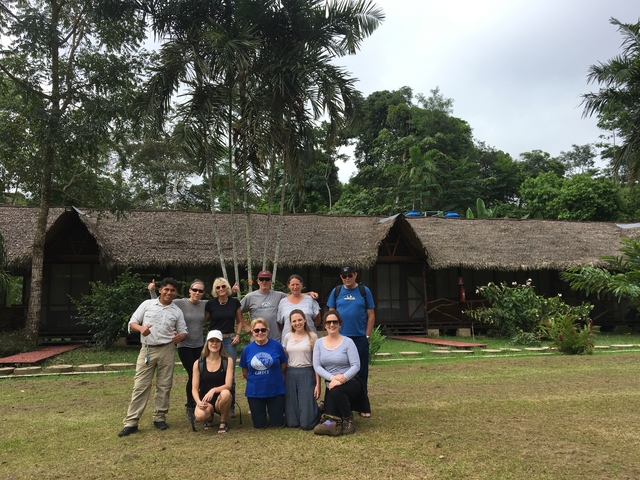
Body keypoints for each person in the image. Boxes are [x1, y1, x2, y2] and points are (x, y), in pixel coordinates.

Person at [118, 277, 188, 437]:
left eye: (172, 290)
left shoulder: (176, 311)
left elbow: (183, 331)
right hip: (147, 350)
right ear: (160, 290)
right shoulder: (147, 305)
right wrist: (141, 329)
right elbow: (132, 323)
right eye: (166, 289)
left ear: (176, 293)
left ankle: (159, 418)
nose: (169, 293)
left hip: (167, 350)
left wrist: (180, 338)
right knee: (140, 386)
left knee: (164, 385)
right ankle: (131, 422)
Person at [148, 278, 207, 423]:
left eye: (200, 291)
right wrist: (152, 291)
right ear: (189, 290)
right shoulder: (179, 303)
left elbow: (221, 303)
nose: (197, 293)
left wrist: (233, 292)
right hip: (184, 345)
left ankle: (203, 405)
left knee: (202, 375)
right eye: (195, 290)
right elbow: (162, 303)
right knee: (194, 375)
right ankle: (190, 406)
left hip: (200, 345)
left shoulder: (205, 304)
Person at [327, 265, 375, 416]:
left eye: (349, 275)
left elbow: (371, 315)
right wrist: (332, 335)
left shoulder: (364, 291)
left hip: (359, 337)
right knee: (340, 370)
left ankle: (362, 406)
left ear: (355, 275)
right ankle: (342, 400)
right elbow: (331, 316)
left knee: (360, 371)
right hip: (340, 338)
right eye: (343, 276)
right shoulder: (336, 292)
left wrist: (367, 336)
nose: (347, 278)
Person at [312, 310, 370, 436]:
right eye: (329, 322)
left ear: (339, 324)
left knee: (337, 390)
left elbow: (356, 365)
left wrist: (341, 378)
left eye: (335, 322)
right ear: (325, 325)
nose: (332, 324)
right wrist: (332, 378)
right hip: (331, 383)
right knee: (330, 418)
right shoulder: (319, 343)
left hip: (351, 382)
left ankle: (348, 419)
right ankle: (328, 412)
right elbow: (317, 366)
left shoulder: (348, 342)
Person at [204, 277, 250, 415]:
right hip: (213, 340)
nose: (221, 289)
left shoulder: (234, 302)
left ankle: (230, 406)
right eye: (218, 287)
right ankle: (209, 403)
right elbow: (205, 320)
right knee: (211, 370)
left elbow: (240, 320)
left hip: (230, 340)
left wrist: (237, 335)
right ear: (214, 290)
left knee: (229, 372)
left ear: (228, 287)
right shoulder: (210, 304)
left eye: (223, 286)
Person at [239, 270, 318, 342]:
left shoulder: (279, 296)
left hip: (276, 338)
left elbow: (295, 295)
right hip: (257, 337)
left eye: (267, 279)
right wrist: (245, 326)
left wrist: (309, 294)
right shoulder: (250, 297)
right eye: (261, 279)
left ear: (271, 281)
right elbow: (237, 309)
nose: (264, 281)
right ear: (258, 281)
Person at [239, 318, 287, 429]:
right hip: (255, 392)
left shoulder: (276, 345)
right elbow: (245, 372)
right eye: (256, 330)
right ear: (252, 331)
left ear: (267, 330)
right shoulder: (247, 349)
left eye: (263, 330)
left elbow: (283, 364)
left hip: (275, 390)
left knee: (278, 424)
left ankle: (275, 413)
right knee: (260, 425)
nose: (260, 332)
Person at [281, 309, 321, 430]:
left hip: (307, 372)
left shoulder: (312, 336)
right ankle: (292, 417)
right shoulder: (287, 337)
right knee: (292, 423)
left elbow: (316, 362)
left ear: (304, 320)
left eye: (299, 320)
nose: (297, 323)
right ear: (291, 323)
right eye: (294, 321)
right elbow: (284, 359)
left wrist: (318, 384)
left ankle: (318, 411)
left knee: (307, 424)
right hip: (290, 373)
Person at [191, 330, 234, 434]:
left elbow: (228, 385)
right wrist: (198, 402)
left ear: (221, 344)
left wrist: (214, 390)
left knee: (225, 393)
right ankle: (209, 418)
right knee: (200, 416)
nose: (214, 343)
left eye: (217, 341)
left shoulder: (227, 361)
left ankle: (223, 421)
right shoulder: (198, 363)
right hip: (205, 400)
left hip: (221, 399)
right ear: (207, 343)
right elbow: (194, 389)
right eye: (211, 341)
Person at [277, 274, 321, 338]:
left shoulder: (310, 299)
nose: (295, 287)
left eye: (297, 284)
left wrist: (308, 327)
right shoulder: (283, 302)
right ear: (288, 286)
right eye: (292, 285)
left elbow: (318, 318)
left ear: (301, 285)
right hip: (289, 339)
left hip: (309, 337)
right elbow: (280, 323)